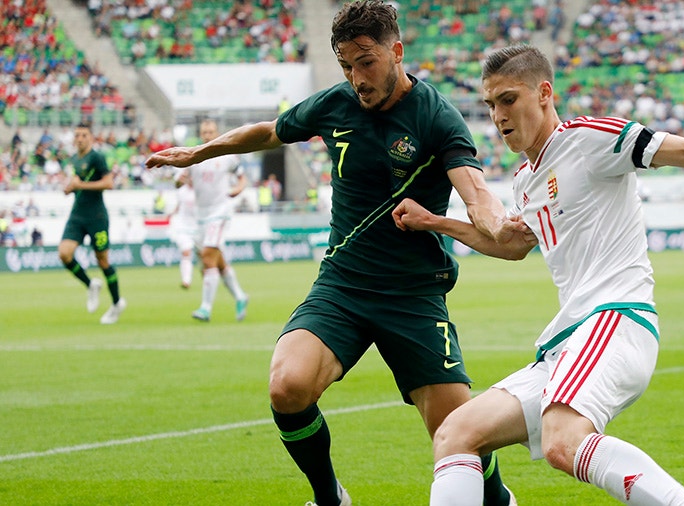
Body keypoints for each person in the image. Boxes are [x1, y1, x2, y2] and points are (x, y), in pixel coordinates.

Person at [391, 45, 684, 506]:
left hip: (615, 318)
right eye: (490, 105)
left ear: (544, 93)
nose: (498, 116)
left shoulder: (589, 139)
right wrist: (435, 222)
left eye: (508, 100)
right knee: (456, 434)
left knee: (563, 439)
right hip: (568, 340)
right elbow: (511, 246)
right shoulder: (526, 178)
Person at [146, 3, 526, 504]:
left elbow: (475, 192)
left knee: (458, 430)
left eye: (366, 62)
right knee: (288, 385)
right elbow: (269, 131)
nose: (357, 78)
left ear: (397, 51)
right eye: (346, 65)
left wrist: (497, 224)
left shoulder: (436, 116)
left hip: (411, 294)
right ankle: (331, 498)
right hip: (343, 285)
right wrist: (199, 153)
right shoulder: (336, 103)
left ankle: (497, 498)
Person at [174, 119, 249, 322]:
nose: (207, 135)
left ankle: (205, 308)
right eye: (204, 132)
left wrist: (238, 189)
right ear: (200, 134)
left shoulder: (227, 156)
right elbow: (179, 180)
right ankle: (241, 296)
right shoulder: (194, 155)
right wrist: (178, 181)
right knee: (216, 261)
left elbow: (242, 178)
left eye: (211, 132)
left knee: (208, 256)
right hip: (200, 216)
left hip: (220, 211)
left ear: (217, 133)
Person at [58, 123, 127, 324]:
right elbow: (77, 183)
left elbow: (108, 183)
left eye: (83, 135)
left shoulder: (96, 157)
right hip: (77, 215)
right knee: (64, 253)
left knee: (103, 261)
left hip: (97, 217)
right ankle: (90, 284)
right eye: (77, 135)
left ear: (91, 138)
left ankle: (116, 303)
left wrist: (81, 185)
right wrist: (71, 188)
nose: (79, 138)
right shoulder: (74, 159)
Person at [168, 172, 198, 289]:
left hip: (198, 227)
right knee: (186, 252)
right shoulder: (181, 191)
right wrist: (172, 214)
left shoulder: (200, 191)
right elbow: (179, 205)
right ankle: (186, 280)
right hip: (184, 227)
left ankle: (208, 277)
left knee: (204, 256)